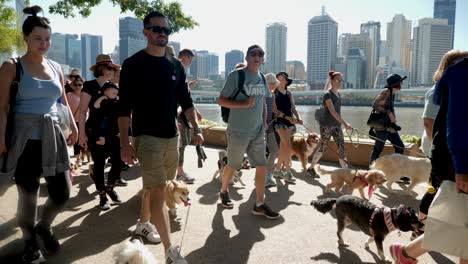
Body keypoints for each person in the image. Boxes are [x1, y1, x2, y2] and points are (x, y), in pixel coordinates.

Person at [118, 11, 203, 263]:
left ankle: (143, 224)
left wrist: (196, 128)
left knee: (160, 187)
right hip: (147, 138)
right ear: (145, 31)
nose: (162, 34)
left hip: (172, 136)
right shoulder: (133, 64)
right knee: (158, 193)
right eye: (156, 29)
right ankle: (170, 252)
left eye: (166, 30)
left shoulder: (175, 65)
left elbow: (186, 102)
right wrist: (125, 143)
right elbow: (123, 109)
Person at [0, 5, 77, 263]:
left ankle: (45, 225)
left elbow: (63, 101)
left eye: (47, 39)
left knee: (62, 192)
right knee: (28, 196)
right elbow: (1, 107)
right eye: (37, 38)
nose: (43, 43)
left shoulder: (56, 67)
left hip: (53, 137)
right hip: (24, 140)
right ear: (25, 38)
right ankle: (30, 242)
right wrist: (1, 139)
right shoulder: (12, 66)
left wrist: (75, 127)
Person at [389, 55, 468, 264]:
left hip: (448, 156)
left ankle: (408, 250)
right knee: (453, 215)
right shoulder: (459, 75)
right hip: (451, 157)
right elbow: (443, 123)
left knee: (458, 219)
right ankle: (410, 246)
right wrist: (458, 165)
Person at [218, 44, 280, 219]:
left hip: (258, 131)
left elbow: (262, 102)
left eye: (260, 54)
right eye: (253, 54)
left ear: (263, 59)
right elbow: (221, 100)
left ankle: (259, 204)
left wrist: (265, 122)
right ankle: (223, 191)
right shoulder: (236, 76)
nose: (257, 57)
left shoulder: (261, 78)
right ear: (247, 57)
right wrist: (243, 105)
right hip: (238, 131)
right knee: (234, 165)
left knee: (261, 166)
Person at [78, 54, 123, 210]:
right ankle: (102, 196)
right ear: (99, 68)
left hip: (113, 133)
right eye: (108, 67)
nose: (111, 70)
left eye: (113, 68)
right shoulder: (90, 86)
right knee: (99, 164)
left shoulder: (115, 87)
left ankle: (109, 188)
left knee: (118, 162)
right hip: (95, 131)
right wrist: (81, 134)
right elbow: (82, 111)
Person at [309, 71, 352, 172]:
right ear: (331, 81)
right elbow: (332, 111)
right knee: (323, 147)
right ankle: (311, 168)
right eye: (337, 80)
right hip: (326, 126)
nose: (340, 82)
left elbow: (337, 112)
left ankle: (346, 172)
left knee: (341, 148)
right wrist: (345, 124)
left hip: (337, 126)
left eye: (341, 80)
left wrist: (342, 124)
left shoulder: (338, 94)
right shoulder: (327, 95)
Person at [176, 48, 202, 183]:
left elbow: (185, 98)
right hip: (177, 117)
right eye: (190, 59)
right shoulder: (177, 70)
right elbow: (179, 98)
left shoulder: (181, 72)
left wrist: (195, 111)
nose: (191, 62)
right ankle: (179, 173)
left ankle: (178, 171)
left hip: (181, 116)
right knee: (180, 144)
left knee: (183, 143)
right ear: (184, 57)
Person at [368, 73, 406, 165]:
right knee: (378, 149)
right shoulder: (386, 91)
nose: (402, 84)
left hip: (390, 127)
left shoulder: (392, 93)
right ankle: (371, 171)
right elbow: (375, 105)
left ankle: (396, 169)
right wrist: (389, 113)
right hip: (382, 127)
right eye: (401, 82)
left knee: (400, 147)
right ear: (396, 83)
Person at [272, 72, 302, 183]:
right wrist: (288, 118)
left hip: (289, 122)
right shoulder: (273, 93)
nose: (280, 81)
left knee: (283, 147)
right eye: (278, 79)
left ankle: (277, 170)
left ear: (286, 81)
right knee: (287, 145)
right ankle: (288, 172)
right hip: (279, 121)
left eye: (282, 79)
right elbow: (274, 110)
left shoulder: (289, 94)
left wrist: (298, 118)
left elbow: (293, 107)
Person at [264, 73, 280, 188]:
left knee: (274, 150)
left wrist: (279, 114)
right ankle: (263, 177)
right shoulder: (261, 94)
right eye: (273, 83)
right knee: (261, 155)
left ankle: (268, 174)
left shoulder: (272, 94)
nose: (275, 85)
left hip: (270, 127)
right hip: (260, 128)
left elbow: (274, 110)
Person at [66, 76, 84, 168]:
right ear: (72, 85)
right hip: (69, 121)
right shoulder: (69, 95)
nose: (77, 87)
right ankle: (67, 159)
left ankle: (78, 158)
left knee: (78, 141)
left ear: (82, 85)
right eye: (75, 85)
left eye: (80, 85)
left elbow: (87, 110)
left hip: (80, 122)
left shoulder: (85, 95)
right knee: (67, 140)